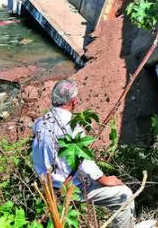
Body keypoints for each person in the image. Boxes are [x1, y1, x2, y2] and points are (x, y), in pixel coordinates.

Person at [31, 80, 135, 228]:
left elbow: (36, 157)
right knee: (124, 195)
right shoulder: (71, 126)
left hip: (51, 189)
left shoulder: (40, 123)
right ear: (74, 101)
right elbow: (83, 161)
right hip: (72, 189)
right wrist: (104, 179)